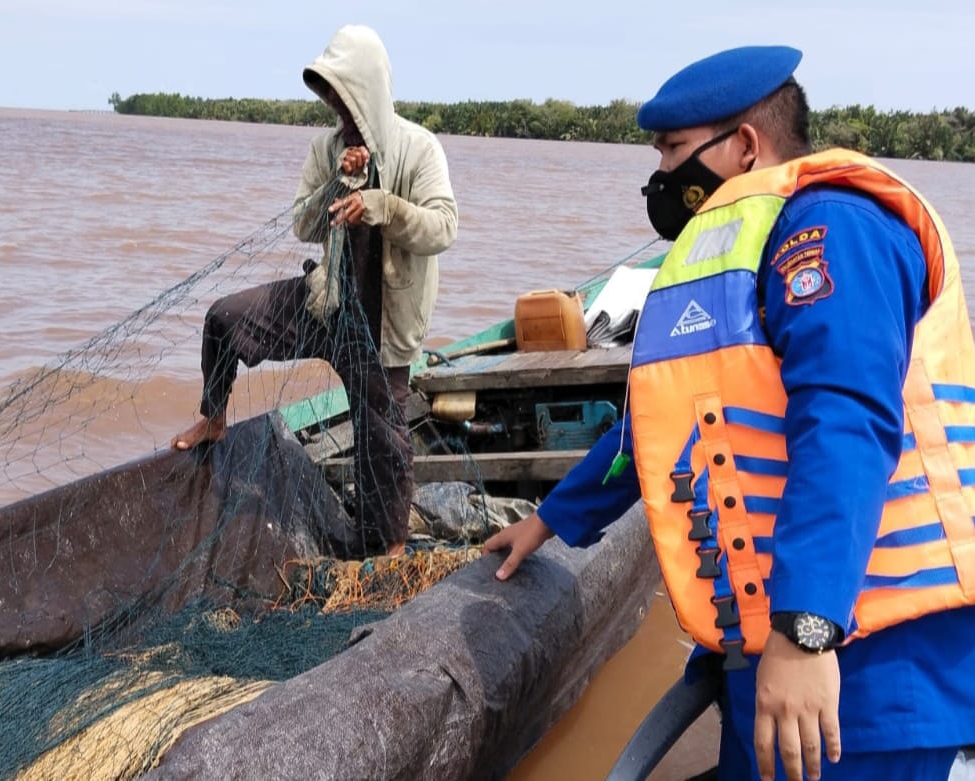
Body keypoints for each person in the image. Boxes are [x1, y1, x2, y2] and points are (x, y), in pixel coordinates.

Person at [483, 46, 975, 781]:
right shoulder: (741, 246)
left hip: (863, 670)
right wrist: (551, 518)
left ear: (744, 145)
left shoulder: (833, 226)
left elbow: (846, 422)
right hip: (766, 652)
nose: (661, 175)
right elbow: (658, 425)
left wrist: (805, 632)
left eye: (676, 150)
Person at [170, 25, 458, 558]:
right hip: (327, 302)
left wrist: (380, 204)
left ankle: (391, 547)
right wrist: (336, 184)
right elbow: (304, 224)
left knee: (385, 439)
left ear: (368, 92)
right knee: (224, 319)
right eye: (329, 95)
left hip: (384, 323)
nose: (336, 108)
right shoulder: (326, 149)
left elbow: (444, 227)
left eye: (344, 95)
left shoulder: (419, 148)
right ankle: (214, 417)